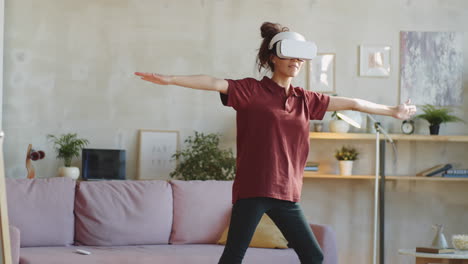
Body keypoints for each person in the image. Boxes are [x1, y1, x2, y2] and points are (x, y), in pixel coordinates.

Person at [135, 22, 416, 264]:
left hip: (287, 193)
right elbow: (213, 82)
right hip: (254, 189)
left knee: (314, 257)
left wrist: (393, 110)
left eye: (300, 59)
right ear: (273, 58)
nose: (296, 62)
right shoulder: (251, 90)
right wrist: (170, 79)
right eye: (290, 56)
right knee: (233, 257)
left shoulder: (307, 99)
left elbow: (354, 102)